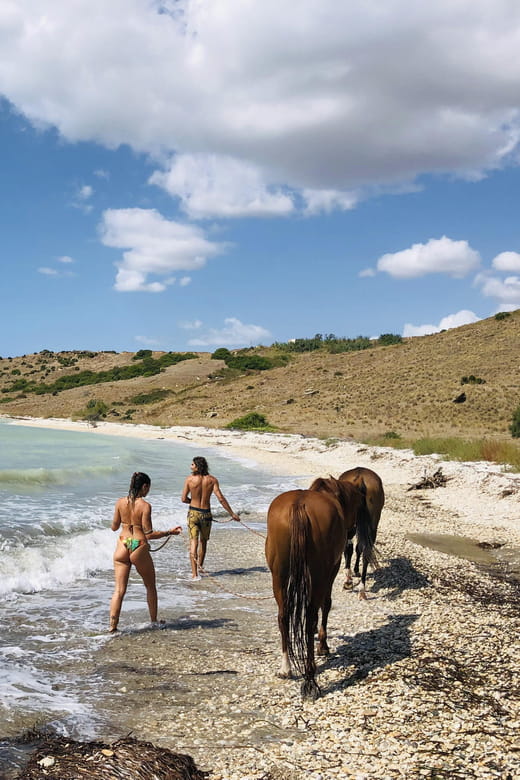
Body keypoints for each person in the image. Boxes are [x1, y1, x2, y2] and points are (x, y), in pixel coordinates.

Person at [109, 471, 181, 633]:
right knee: (150, 586)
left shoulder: (120, 502)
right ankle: (154, 621)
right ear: (144, 486)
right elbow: (149, 533)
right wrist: (169, 532)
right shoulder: (145, 506)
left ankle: (112, 627)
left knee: (119, 590)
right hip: (138, 545)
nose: (148, 491)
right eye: (148, 488)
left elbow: (114, 527)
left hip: (122, 543)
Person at [181, 456, 240, 579]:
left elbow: (183, 499)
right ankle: (201, 568)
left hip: (193, 513)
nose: (190, 466)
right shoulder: (212, 480)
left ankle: (194, 574)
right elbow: (221, 498)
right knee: (203, 543)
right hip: (206, 514)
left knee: (193, 543)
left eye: (192, 464)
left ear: (197, 466)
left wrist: (192, 501)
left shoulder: (189, 480)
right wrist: (232, 514)